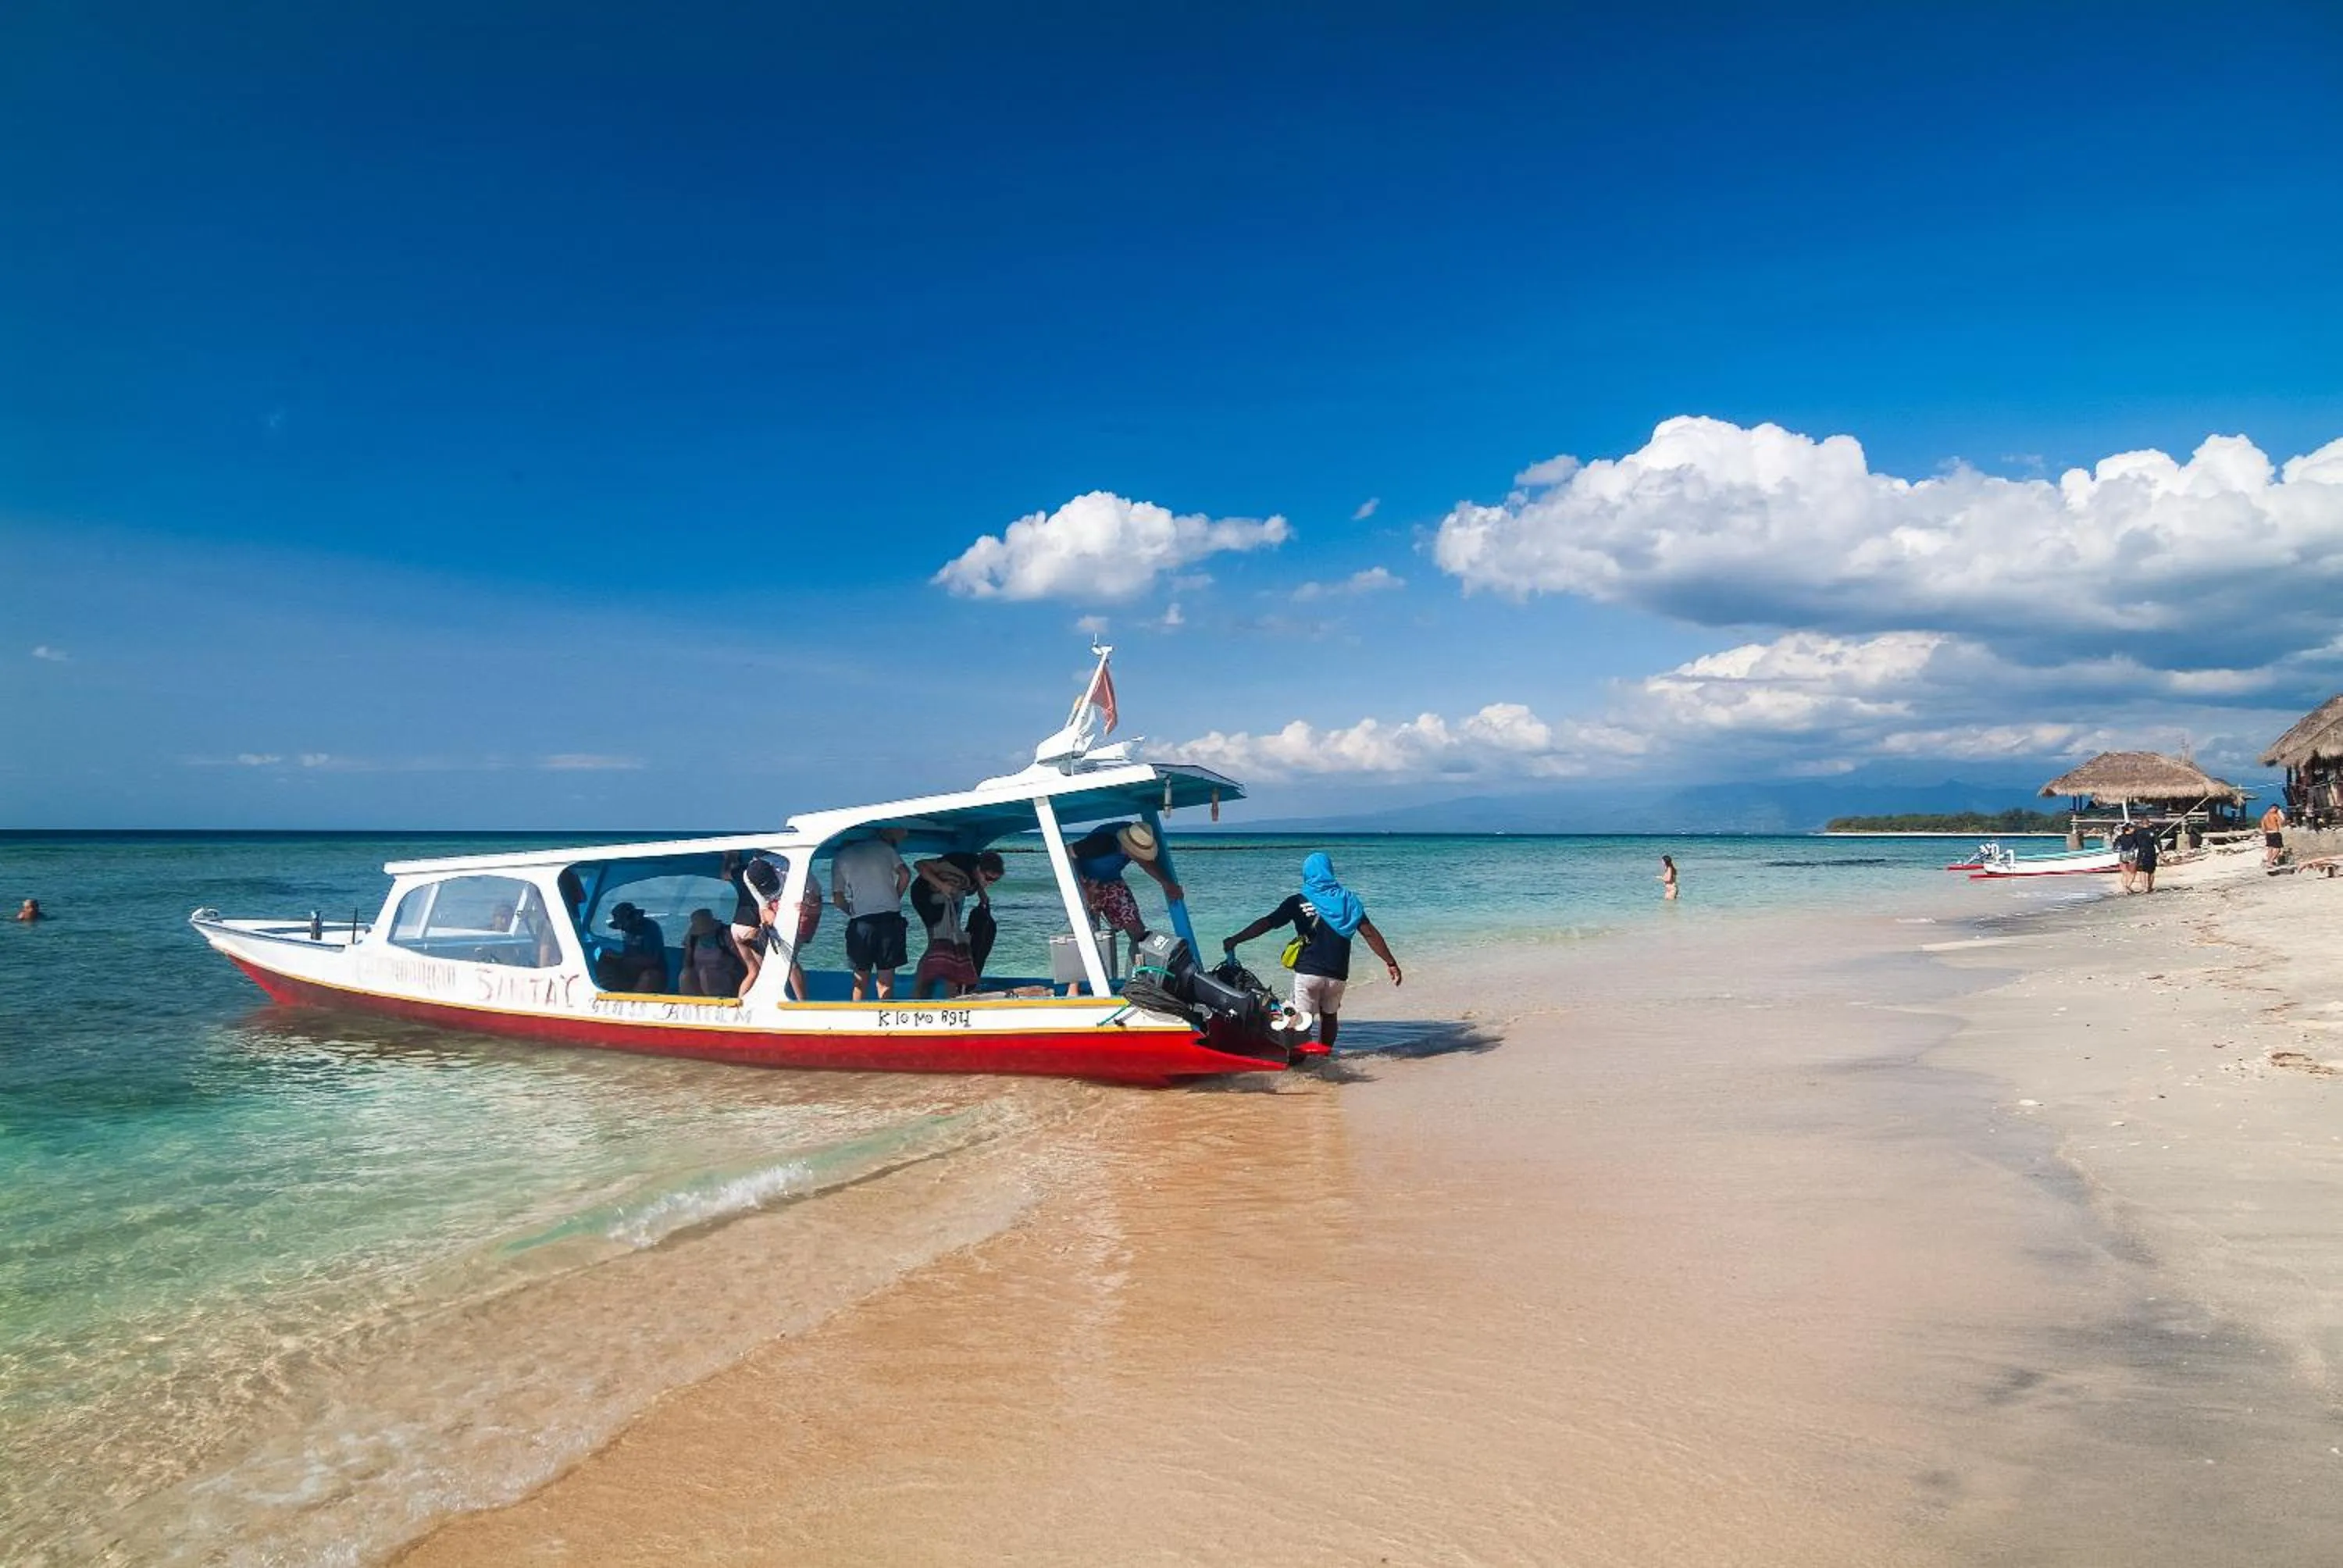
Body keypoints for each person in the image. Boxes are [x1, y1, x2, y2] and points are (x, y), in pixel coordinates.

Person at [1221, 852, 1402, 1057]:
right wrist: (1391, 962)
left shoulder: (1298, 901)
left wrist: (1235, 939)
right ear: (1329, 871)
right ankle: (1323, 1057)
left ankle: (1299, 1062)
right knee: (1330, 1016)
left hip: (1309, 974)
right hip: (1337, 974)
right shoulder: (1348, 901)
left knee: (1300, 1021)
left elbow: (1266, 923)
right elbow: (1370, 934)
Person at [1067, 821, 1182, 946]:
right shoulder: (1100, 843)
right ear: (1126, 845)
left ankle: (1141, 962)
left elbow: (1145, 863)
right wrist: (1082, 887)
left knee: (1136, 929)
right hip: (1086, 881)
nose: (1139, 856)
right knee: (1090, 931)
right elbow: (1067, 853)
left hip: (1113, 880)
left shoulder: (1140, 835)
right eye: (1136, 852)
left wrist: (1166, 883)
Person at [911, 850, 1007, 999]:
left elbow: (976, 881)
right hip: (926, 897)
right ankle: (921, 990)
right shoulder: (957, 866)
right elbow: (919, 865)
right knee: (938, 943)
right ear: (979, 869)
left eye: (995, 881)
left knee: (954, 944)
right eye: (988, 879)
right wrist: (942, 886)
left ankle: (951, 991)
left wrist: (981, 892)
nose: (990, 883)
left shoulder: (977, 870)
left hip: (948, 898)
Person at [833, 828, 911, 1000]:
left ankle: (857, 1020)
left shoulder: (840, 857)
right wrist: (895, 898)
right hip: (889, 919)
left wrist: (852, 911)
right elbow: (905, 874)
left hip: (861, 923)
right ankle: (885, 1020)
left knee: (860, 981)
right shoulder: (884, 848)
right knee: (886, 981)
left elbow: (838, 900)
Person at [728, 853, 820, 1000]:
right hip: (751, 927)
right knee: (783, 961)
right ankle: (799, 1000)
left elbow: (817, 904)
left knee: (762, 968)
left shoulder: (799, 876)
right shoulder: (748, 877)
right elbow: (763, 906)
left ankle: (800, 1001)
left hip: (736, 927)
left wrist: (809, 909)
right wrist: (766, 921)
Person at [679, 908, 749, 997]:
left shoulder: (725, 936)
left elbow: (745, 962)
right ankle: (689, 1003)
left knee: (706, 975)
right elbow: (687, 964)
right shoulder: (692, 940)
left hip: (726, 978)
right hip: (700, 979)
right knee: (685, 975)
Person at [600, 901, 668, 992]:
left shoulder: (650, 928)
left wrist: (622, 958)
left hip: (651, 972)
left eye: (623, 923)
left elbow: (651, 960)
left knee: (649, 976)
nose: (623, 929)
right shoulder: (627, 931)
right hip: (630, 970)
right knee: (605, 957)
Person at [2113, 821, 2141, 893]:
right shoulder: (2134, 837)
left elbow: (2115, 846)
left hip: (2123, 854)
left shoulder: (2120, 837)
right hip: (2131, 854)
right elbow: (2138, 845)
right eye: (2132, 828)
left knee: (2125, 874)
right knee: (2132, 873)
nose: (2134, 829)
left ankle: (2125, 889)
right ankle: (2128, 886)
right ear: (2129, 829)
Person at [2134, 821, 2161, 893]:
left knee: (2142, 871)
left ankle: (2144, 888)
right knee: (2151, 871)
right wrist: (2161, 851)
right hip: (2151, 852)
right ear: (2149, 824)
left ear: (2142, 824)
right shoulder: (2153, 832)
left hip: (2141, 852)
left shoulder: (2137, 832)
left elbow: (2134, 843)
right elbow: (2157, 842)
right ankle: (2150, 887)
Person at [2263, 802, 2288, 869]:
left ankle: (2268, 861)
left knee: (2270, 848)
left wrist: (2265, 833)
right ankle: (2271, 862)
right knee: (2278, 849)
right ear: (2275, 808)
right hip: (2275, 832)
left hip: (2268, 833)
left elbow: (2263, 826)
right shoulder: (2275, 815)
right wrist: (2281, 815)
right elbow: (2281, 823)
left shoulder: (2265, 816)